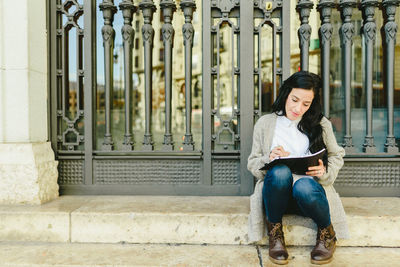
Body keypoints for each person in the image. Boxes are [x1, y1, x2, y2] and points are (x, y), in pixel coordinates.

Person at [247, 71, 349, 265]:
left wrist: (324, 171)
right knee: (279, 172)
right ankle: (276, 235)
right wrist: (269, 158)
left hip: (309, 197)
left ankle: (327, 233)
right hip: (277, 196)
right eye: (294, 100)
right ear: (286, 94)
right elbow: (252, 163)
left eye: (306, 104)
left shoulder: (320, 123)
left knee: (304, 185)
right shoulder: (265, 124)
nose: (298, 108)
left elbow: (337, 155)